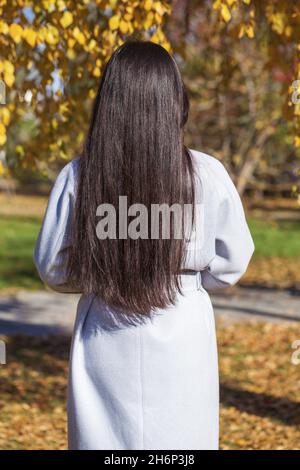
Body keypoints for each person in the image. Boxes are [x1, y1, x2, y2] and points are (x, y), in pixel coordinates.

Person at [34, 40, 254, 450]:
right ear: (174, 100)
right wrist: (183, 277)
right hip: (183, 332)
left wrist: (108, 272)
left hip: (104, 331)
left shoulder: (79, 176)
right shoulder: (207, 174)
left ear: (108, 101)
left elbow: (53, 267)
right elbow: (232, 262)